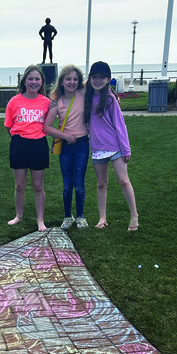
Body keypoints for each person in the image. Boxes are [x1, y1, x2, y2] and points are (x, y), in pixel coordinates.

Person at [85, 61, 138, 231]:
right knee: (101, 183)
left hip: (115, 146)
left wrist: (126, 148)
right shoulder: (86, 97)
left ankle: (134, 216)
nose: (98, 80)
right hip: (98, 148)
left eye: (102, 77)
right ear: (90, 78)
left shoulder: (110, 98)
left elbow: (119, 124)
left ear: (108, 79)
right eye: (95, 77)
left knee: (123, 180)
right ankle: (102, 218)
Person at [4, 64, 50, 232]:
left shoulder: (46, 102)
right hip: (19, 145)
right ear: (24, 81)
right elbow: (8, 126)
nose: (33, 82)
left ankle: (40, 220)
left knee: (38, 185)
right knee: (20, 184)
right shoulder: (14, 101)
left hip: (39, 145)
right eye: (30, 79)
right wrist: (19, 139)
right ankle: (19, 215)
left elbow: (51, 124)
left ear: (41, 82)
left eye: (37, 79)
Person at [44, 64, 89, 229]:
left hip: (83, 145)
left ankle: (80, 216)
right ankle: (67, 216)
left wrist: (113, 93)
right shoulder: (56, 102)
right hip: (66, 147)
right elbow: (47, 127)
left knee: (79, 183)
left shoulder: (82, 93)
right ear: (61, 81)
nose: (72, 82)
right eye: (68, 79)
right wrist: (65, 136)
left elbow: (99, 86)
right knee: (67, 183)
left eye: (75, 79)